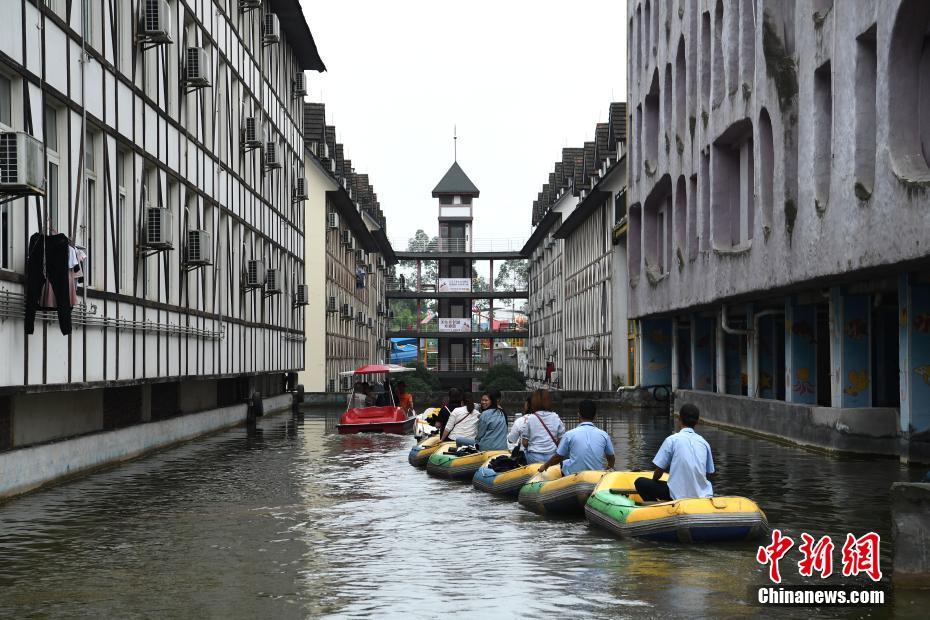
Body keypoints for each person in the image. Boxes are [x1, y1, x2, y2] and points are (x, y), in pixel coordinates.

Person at [634, 404, 716, 502]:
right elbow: (710, 473)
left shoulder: (672, 440)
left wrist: (654, 482)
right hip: (702, 495)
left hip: (677, 494)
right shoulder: (704, 442)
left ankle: (657, 507)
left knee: (640, 482)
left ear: (679, 419)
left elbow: (659, 471)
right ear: (697, 421)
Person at [538, 400, 615, 474]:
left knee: (565, 462)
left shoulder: (569, 434)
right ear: (595, 416)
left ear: (578, 415)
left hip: (574, 477)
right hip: (597, 475)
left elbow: (557, 457)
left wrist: (545, 466)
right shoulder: (604, 435)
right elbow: (611, 457)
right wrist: (609, 467)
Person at [520, 389, 565, 464]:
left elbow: (525, 443)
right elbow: (561, 440)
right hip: (552, 458)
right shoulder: (556, 417)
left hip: (534, 457)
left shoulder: (530, 418)